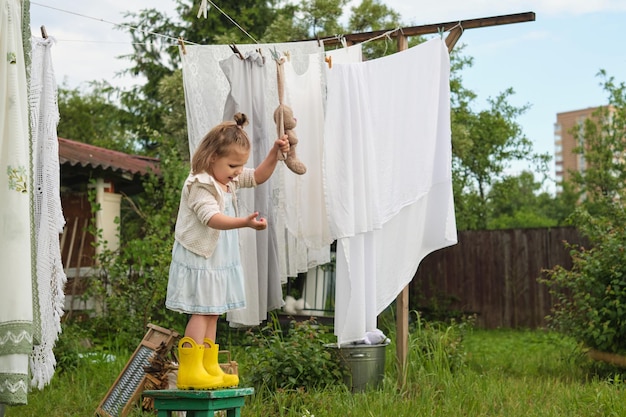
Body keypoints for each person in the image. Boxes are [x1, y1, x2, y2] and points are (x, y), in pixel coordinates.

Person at [166, 112, 289, 390]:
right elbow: (211, 218)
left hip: (217, 260)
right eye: (233, 165)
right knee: (200, 311)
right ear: (212, 158)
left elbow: (258, 176)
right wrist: (244, 222)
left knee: (212, 312)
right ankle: (189, 369)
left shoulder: (226, 179)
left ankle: (207, 365)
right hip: (200, 258)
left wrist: (274, 153)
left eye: (239, 165)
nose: (237, 171)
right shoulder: (201, 184)